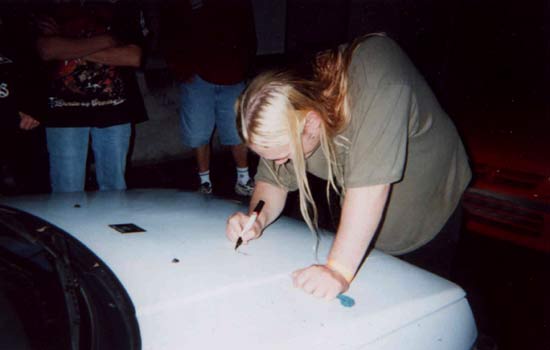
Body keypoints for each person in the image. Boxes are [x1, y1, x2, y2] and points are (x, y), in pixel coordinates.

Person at [226, 34, 472, 300]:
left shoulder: (380, 78)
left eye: (284, 155)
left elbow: (369, 190)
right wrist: (256, 219)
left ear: (311, 122)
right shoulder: (293, 103)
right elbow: (273, 181)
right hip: (363, 222)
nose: (279, 163)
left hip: (427, 214)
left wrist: (338, 269)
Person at [35, 1, 147, 193]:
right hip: (64, 113)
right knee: (66, 192)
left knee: (115, 189)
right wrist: (109, 40)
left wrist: (68, 46)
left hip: (114, 111)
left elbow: (132, 57)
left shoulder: (124, 6)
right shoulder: (52, 6)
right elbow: (47, 50)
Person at [161, 0, 257, 195]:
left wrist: (243, 67)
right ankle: (204, 182)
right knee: (198, 131)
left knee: (237, 129)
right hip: (196, 76)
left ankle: (243, 179)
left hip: (232, 73)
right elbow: (169, 30)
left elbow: (248, 34)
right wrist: (180, 69)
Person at [0, 10, 46, 194]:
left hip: (17, 127)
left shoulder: (17, 32)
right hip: (10, 114)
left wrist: (33, 108)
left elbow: (39, 75)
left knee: (30, 190)